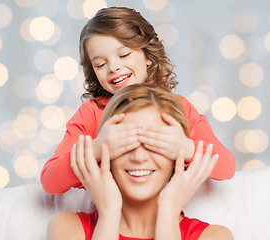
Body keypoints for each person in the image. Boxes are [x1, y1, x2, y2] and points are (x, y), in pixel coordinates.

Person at [40, 6, 235, 195]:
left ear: (148, 56)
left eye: (124, 54)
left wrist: (184, 147)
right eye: (100, 64)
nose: (114, 67)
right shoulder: (90, 113)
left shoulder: (178, 107)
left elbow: (226, 167)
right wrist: (97, 149)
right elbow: (50, 182)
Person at [46, 84, 234, 240]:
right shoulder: (67, 228)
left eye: (154, 144)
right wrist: (108, 212)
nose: (139, 157)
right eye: (126, 143)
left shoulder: (214, 236)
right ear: (107, 155)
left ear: (178, 155)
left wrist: (168, 212)